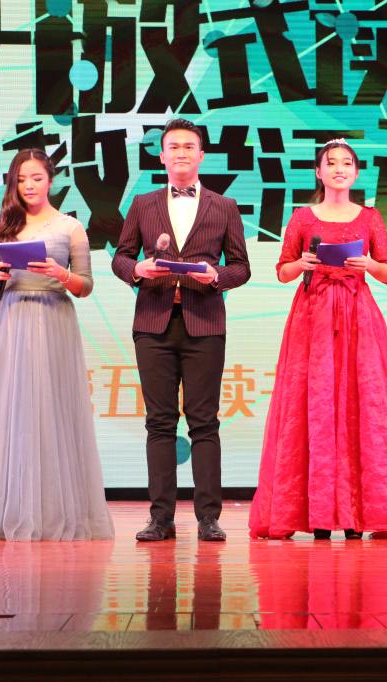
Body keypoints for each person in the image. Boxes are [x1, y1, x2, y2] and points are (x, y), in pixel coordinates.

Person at [248, 139, 387, 540]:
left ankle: (357, 515)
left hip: (358, 315)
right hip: (313, 317)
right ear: (318, 172)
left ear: (356, 173)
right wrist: (302, 262)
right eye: (331, 163)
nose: (339, 168)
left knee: (364, 405)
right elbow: (282, 271)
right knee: (314, 405)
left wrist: (369, 264)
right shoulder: (302, 217)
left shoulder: (370, 217)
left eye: (346, 163)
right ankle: (319, 515)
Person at [0, 149, 113, 541]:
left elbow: (85, 286)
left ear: (50, 179)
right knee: (7, 410)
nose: (29, 186)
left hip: (53, 318)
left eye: (36, 178)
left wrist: (60, 274)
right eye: (21, 180)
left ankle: (52, 511)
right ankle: (3, 510)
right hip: (9, 320)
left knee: (50, 409)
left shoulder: (70, 228)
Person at [111, 119, 250, 542]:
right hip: (153, 323)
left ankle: (209, 517)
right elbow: (120, 257)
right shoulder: (143, 203)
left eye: (190, 146)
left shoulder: (224, 206)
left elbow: (242, 267)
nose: (182, 153)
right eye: (174, 146)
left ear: (202, 155)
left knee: (204, 422)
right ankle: (161, 518)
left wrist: (216, 276)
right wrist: (138, 269)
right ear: (162, 156)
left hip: (204, 322)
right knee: (159, 422)